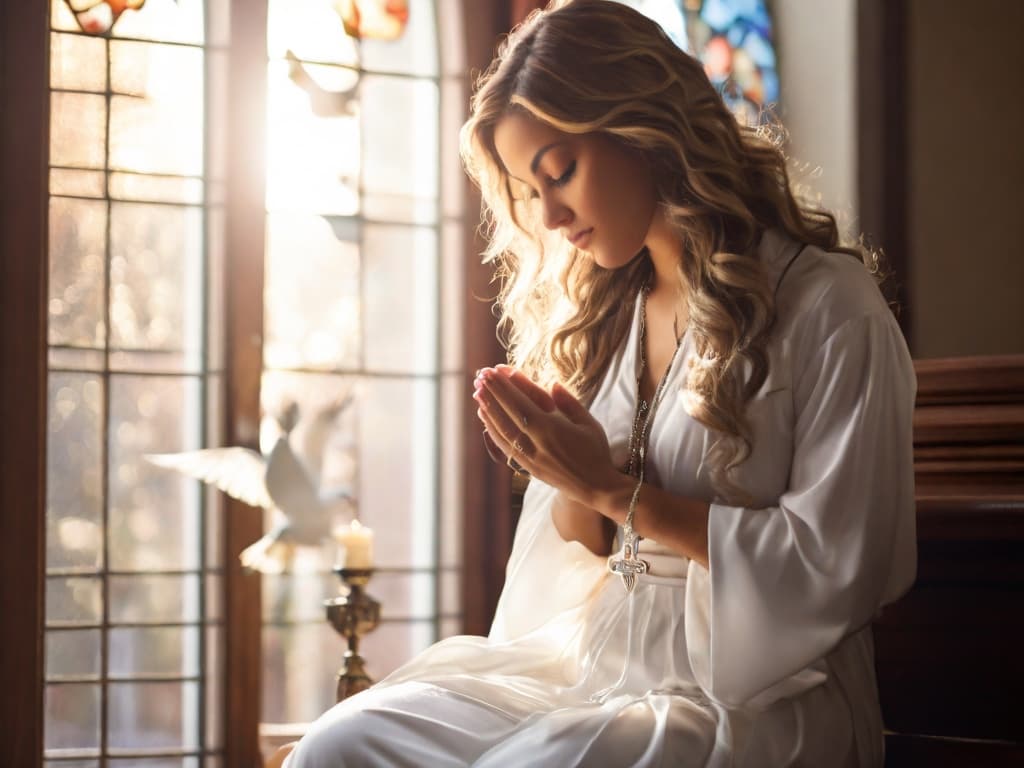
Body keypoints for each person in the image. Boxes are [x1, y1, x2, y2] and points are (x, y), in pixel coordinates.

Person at [283, 1, 916, 765]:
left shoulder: (828, 307)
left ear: (644, 128)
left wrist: (614, 488)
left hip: (755, 697)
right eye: (528, 188)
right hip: (594, 668)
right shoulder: (606, 317)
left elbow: (836, 569)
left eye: (560, 172)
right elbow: (578, 561)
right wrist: (571, 476)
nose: (548, 214)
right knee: (344, 742)